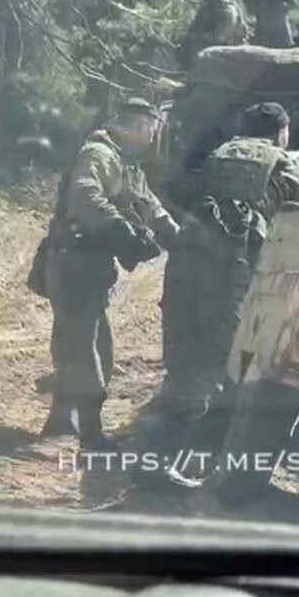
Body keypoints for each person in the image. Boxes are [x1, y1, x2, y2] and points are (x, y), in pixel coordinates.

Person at [139, 102, 299, 485]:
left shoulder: (220, 156)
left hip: (188, 267)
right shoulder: (281, 166)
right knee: (217, 369)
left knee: (182, 366)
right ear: (279, 133)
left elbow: (184, 193)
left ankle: (152, 461)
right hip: (228, 274)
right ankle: (167, 468)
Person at [41, 97, 180, 451]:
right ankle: (90, 431)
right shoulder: (101, 154)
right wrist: (120, 227)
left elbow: (148, 202)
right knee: (90, 345)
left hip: (87, 264)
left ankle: (59, 419)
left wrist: (178, 235)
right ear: (139, 125)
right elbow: (85, 196)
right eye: (154, 127)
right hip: (74, 262)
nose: (156, 135)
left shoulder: (125, 160)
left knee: (76, 340)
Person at [179, 0, 248, 70]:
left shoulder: (227, 10)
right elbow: (194, 27)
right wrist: (189, 38)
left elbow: (221, 36)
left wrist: (198, 37)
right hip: (211, 45)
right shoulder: (207, 8)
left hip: (228, 48)